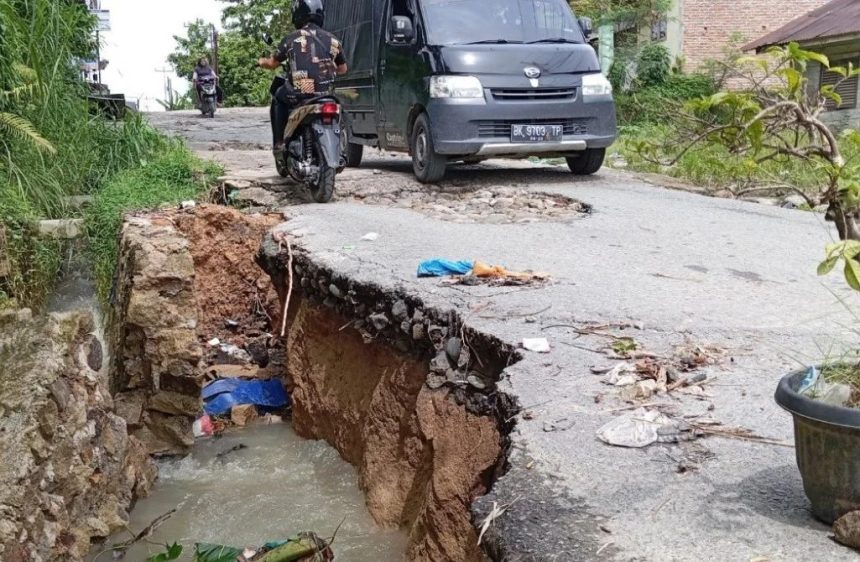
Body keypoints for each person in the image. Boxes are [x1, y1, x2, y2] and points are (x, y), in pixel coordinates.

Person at [257, 0, 348, 158]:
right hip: (325, 94)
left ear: (298, 15)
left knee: (278, 97)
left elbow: (272, 63)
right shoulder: (333, 40)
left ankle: (279, 143)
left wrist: (261, 62)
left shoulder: (292, 38)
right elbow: (343, 69)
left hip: (300, 94)